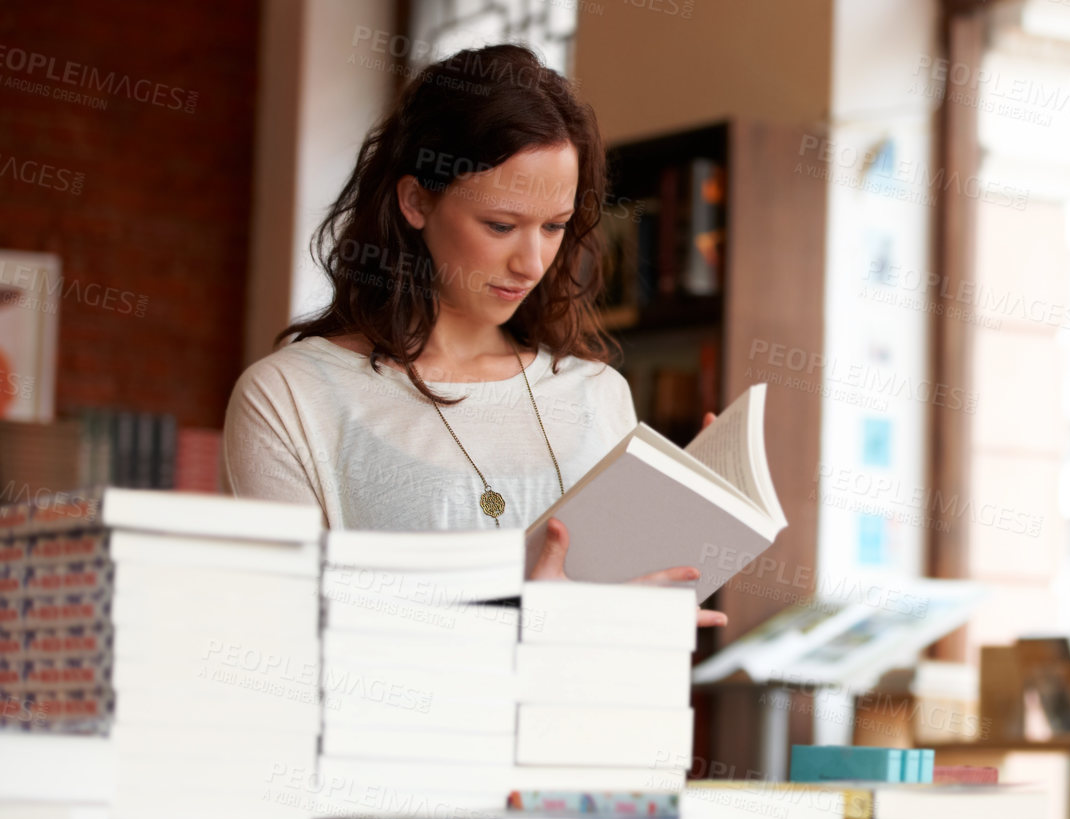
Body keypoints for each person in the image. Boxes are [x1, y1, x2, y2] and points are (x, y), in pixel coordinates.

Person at [223, 43, 723, 626]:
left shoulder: (596, 393)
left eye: (555, 226)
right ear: (416, 200)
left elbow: (622, 628)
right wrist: (531, 621)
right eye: (501, 225)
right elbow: (282, 635)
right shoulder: (289, 398)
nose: (532, 263)